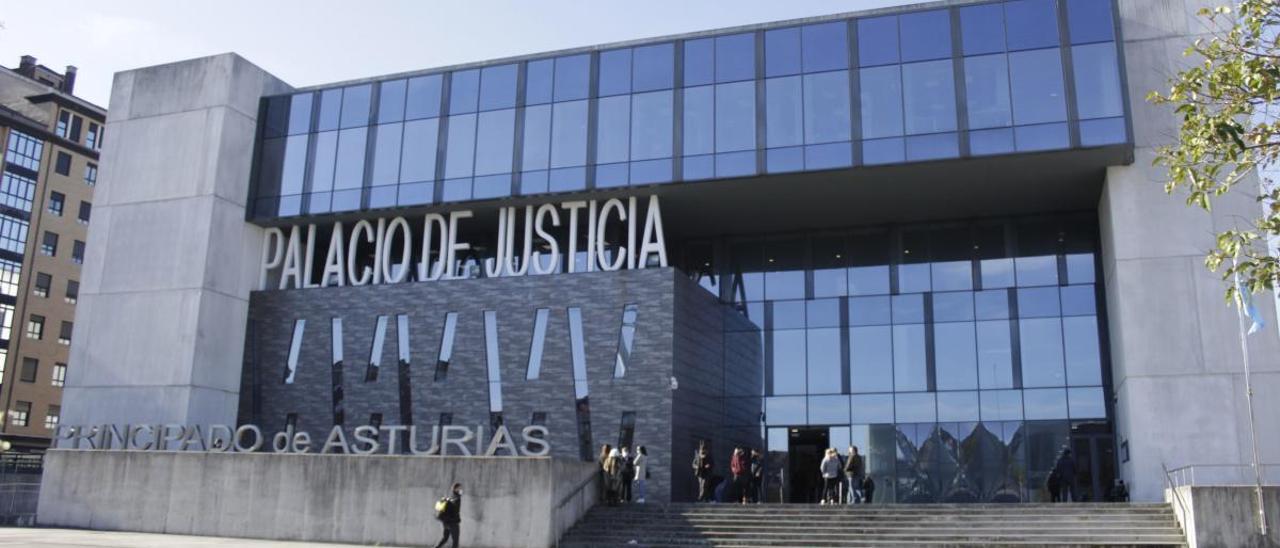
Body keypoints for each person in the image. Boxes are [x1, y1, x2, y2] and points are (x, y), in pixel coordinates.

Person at [434, 483, 462, 548]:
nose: (461, 490)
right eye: (459, 488)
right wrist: (457, 519)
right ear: (455, 489)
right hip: (453, 523)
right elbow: (455, 511)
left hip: (446, 522)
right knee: (455, 541)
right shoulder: (457, 498)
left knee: (445, 538)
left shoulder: (451, 497)